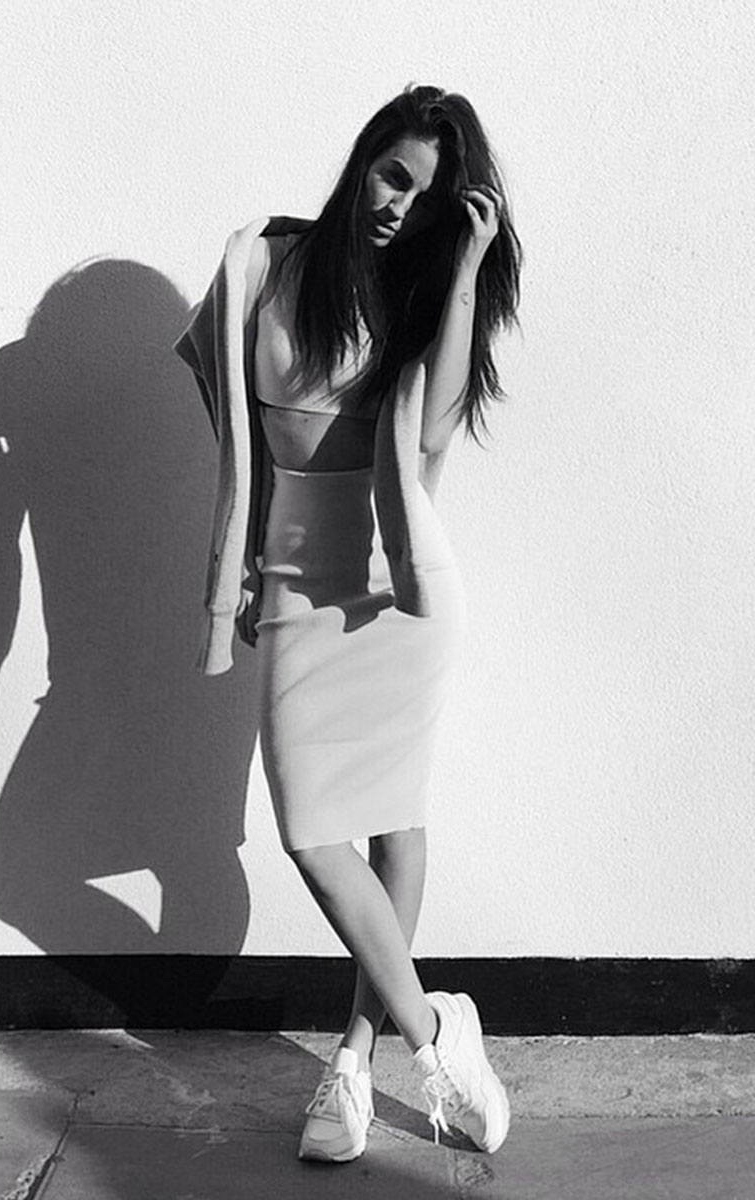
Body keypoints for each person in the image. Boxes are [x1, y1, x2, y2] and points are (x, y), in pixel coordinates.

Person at [175, 83, 522, 1163]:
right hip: (292, 586)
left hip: (394, 592)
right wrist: (240, 559)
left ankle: (355, 1059)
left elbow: (435, 428)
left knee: (390, 821)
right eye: (390, 175)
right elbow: (231, 422)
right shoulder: (262, 267)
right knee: (310, 834)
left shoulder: (422, 294)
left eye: (424, 199)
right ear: (363, 159)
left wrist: (464, 266)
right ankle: (436, 1031)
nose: (396, 206)